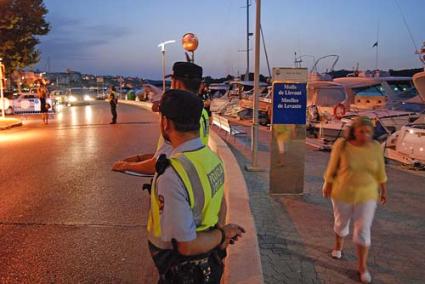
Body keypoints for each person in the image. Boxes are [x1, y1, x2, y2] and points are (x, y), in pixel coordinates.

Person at [148, 89, 245, 283]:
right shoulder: (211, 158)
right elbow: (220, 205)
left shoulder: (172, 174)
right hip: (210, 263)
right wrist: (220, 235)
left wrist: (222, 234)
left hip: (181, 272)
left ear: (165, 122)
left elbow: (186, 245)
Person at [112, 62, 209, 174]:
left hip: (175, 181)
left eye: (172, 81)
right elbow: (174, 152)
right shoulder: (201, 111)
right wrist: (140, 158)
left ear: (177, 83)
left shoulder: (177, 115)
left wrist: (125, 166)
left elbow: (160, 164)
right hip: (194, 174)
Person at [322, 116, 388, 283]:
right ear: (353, 132)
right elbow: (332, 166)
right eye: (361, 131)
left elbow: (380, 170)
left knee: (363, 230)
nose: (365, 135)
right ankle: (338, 244)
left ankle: (362, 266)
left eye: (368, 132)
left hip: (367, 195)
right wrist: (327, 183)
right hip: (342, 192)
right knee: (341, 223)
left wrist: (383, 190)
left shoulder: (375, 147)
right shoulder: (342, 146)